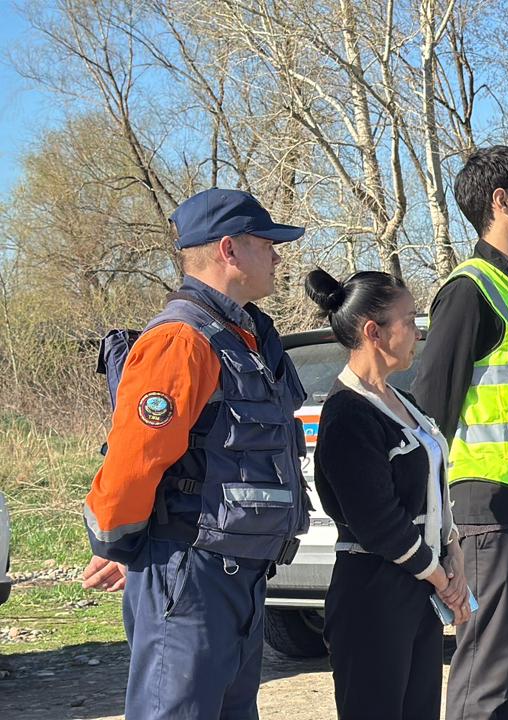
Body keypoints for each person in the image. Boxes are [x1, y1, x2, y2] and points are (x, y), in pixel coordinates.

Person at [81, 188, 310, 719]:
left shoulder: (246, 339)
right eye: (268, 242)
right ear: (229, 249)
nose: (278, 254)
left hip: (237, 573)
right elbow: (134, 458)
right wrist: (119, 545)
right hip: (189, 572)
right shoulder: (182, 341)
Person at [410, 146, 508, 720]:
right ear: (501, 202)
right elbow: (430, 415)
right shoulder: (469, 290)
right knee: (488, 679)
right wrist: (434, 530)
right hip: (486, 514)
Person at [306, 268, 470, 720]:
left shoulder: (403, 401)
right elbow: (378, 521)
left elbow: (436, 487)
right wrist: (443, 580)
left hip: (418, 589)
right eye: (410, 319)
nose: (419, 331)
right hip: (373, 594)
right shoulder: (347, 415)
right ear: (373, 332)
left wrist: (453, 557)